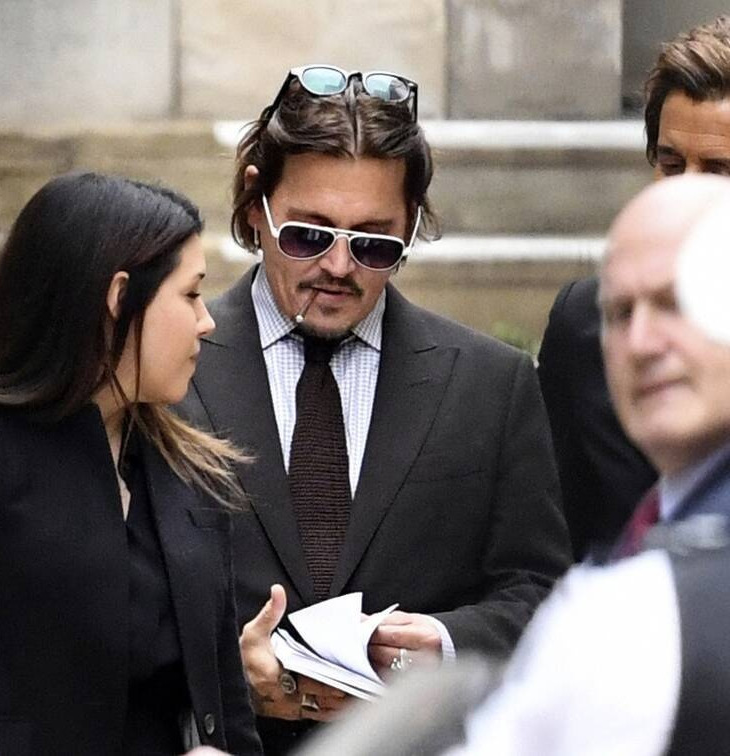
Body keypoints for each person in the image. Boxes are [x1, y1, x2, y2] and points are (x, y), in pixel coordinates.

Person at [179, 64, 571, 753]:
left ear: (411, 226)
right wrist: (221, 671)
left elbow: (543, 594)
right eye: (308, 235)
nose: (338, 266)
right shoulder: (168, 372)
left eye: (373, 243)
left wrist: (446, 641)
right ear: (255, 207)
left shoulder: (490, 384)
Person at [0, 173, 261, 755]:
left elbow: (224, 708)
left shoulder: (191, 469)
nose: (207, 321)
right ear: (119, 297)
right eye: (190, 294)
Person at [451, 173, 730, 755]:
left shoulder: (625, 616)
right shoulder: (624, 586)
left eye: (677, 302)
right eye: (619, 313)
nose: (642, 342)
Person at [538, 15, 730, 560]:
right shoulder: (589, 325)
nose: (687, 190)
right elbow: (554, 546)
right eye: (671, 164)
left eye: (719, 170)